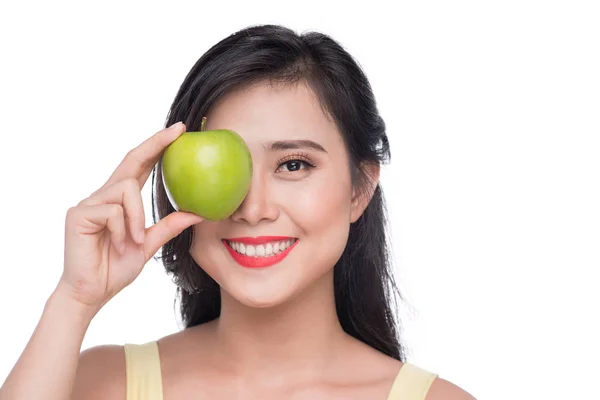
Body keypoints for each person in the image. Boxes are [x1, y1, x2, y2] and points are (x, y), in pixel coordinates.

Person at [0, 24, 475, 399]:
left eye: (293, 164)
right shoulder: (101, 385)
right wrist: (73, 300)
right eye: (225, 169)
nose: (253, 208)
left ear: (360, 189)